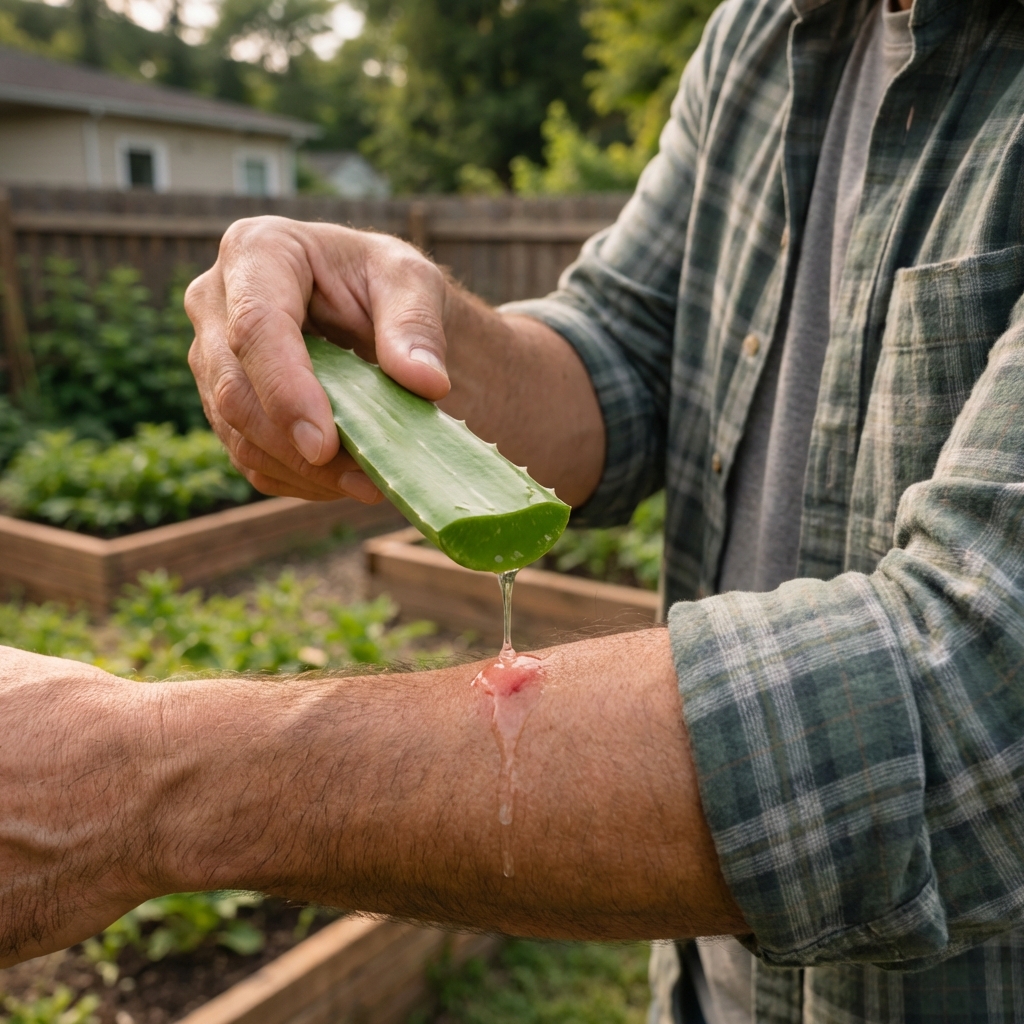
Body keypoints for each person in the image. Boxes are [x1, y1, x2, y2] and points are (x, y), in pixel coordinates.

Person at [3, 0, 1024, 1019]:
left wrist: (151, 779)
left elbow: (971, 695)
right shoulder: (765, 34)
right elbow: (627, 352)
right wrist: (410, 345)